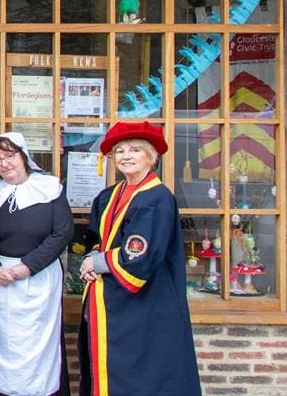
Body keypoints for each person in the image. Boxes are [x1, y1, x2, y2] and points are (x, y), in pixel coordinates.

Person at [77, 121, 201, 396]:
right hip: (111, 303)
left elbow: (139, 254)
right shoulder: (108, 196)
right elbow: (95, 237)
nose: (126, 156)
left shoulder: (157, 198)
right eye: (119, 151)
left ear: (151, 156)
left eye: (135, 150)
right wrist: (92, 257)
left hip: (146, 304)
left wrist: (98, 263)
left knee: (144, 374)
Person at [0, 132, 73, 396]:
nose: (4, 163)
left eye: (10, 155)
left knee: (37, 347)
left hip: (38, 280)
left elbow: (62, 232)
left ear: (24, 155)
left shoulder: (50, 188)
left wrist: (28, 266)